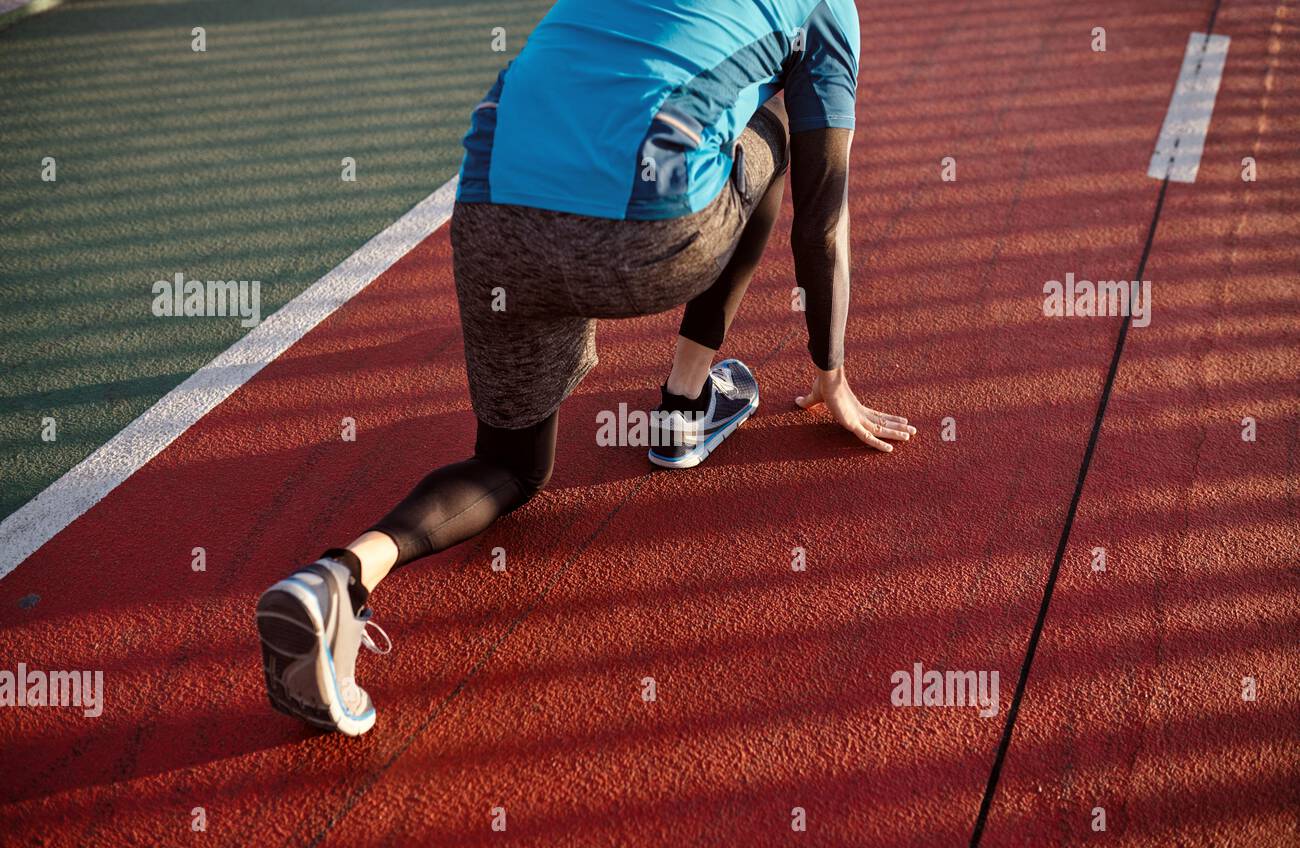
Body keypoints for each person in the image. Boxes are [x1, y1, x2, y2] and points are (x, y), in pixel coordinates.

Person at [255, 0, 915, 736]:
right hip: (648, 237)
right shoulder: (825, 9)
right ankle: (683, 408)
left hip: (492, 215)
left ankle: (339, 577)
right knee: (773, 135)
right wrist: (833, 371)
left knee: (508, 466)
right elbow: (823, 221)